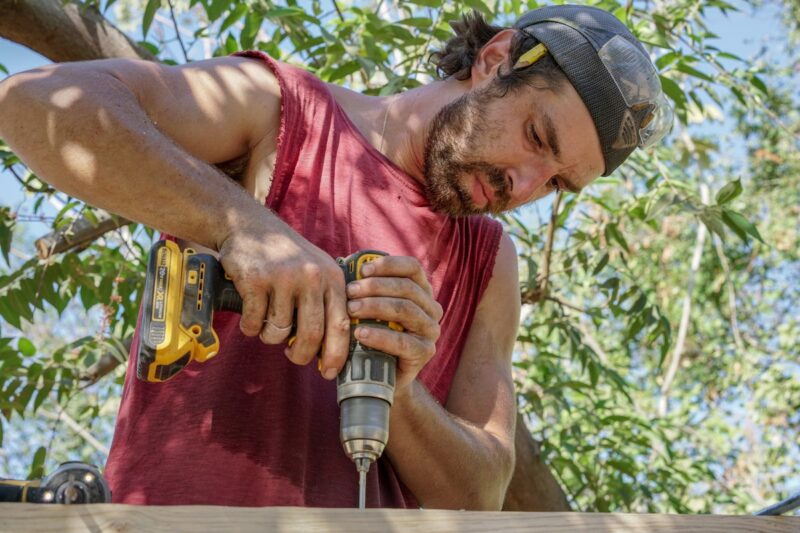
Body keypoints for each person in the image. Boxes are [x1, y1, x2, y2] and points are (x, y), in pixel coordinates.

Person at [0, 5, 671, 509]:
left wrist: (401, 391)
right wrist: (241, 225)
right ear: (495, 60)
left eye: (555, 184)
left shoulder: (490, 262)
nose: (521, 186)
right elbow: (35, 103)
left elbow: (481, 493)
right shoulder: (280, 110)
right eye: (536, 137)